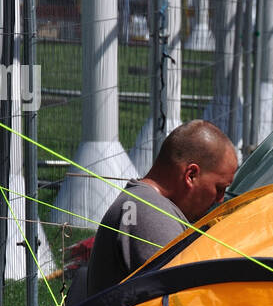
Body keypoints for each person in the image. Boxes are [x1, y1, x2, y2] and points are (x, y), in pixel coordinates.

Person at [85, 120, 238, 295]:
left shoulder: (145, 204)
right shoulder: (151, 213)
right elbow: (180, 301)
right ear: (191, 175)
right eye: (219, 188)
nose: (220, 200)